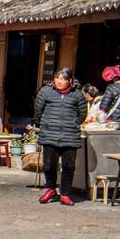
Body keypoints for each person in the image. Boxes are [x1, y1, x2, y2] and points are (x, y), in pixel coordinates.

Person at [34, 68, 84, 206]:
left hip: (70, 136)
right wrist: (47, 123)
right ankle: (50, 188)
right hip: (50, 134)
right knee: (49, 165)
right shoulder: (45, 92)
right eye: (57, 78)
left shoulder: (77, 95)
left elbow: (82, 114)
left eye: (63, 79)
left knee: (68, 166)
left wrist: (73, 124)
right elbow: (38, 111)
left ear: (70, 81)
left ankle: (65, 193)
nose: (59, 81)